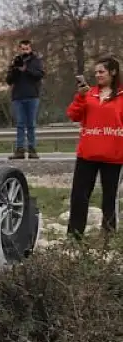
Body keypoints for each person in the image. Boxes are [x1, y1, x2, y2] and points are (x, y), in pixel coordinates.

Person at [65, 55, 123, 239]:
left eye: (101, 72)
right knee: (79, 196)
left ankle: (108, 236)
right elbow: (73, 115)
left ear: (113, 72)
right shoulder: (89, 94)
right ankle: (75, 236)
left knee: (110, 198)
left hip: (114, 156)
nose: (97, 75)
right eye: (96, 72)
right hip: (87, 154)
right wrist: (80, 97)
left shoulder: (121, 96)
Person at [6, 39, 45, 160]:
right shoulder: (15, 61)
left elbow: (39, 75)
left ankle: (32, 149)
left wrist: (26, 70)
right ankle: (20, 150)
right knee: (20, 124)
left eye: (27, 49)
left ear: (30, 48)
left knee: (31, 124)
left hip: (32, 96)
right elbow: (9, 80)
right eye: (23, 49)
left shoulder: (36, 61)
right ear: (19, 49)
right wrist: (16, 69)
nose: (25, 51)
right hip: (18, 97)